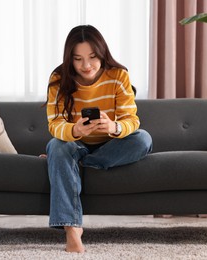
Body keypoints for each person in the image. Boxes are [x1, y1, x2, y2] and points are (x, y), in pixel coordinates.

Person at [45, 25, 152, 253]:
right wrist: (75, 131)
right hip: (76, 144)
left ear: (102, 53)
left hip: (111, 145)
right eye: (78, 59)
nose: (86, 66)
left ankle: (69, 164)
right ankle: (72, 229)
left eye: (92, 57)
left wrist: (113, 126)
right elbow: (54, 125)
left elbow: (131, 120)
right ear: (70, 60)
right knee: (58, 145)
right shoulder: (58, 79)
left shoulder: (118, 75)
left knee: (143, 139)